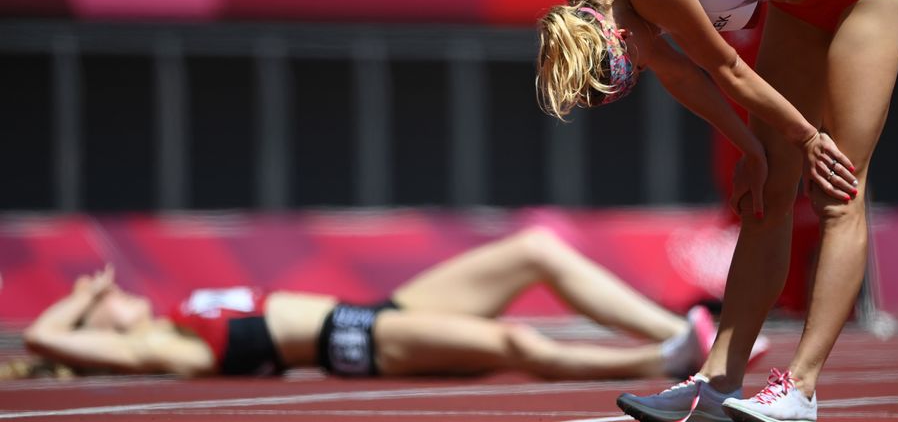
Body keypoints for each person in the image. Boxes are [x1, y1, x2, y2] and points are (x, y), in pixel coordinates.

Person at [536, 0, 898, 421]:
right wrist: (753, 150)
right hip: (799, 2)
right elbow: (682, 75)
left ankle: (801, 389)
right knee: (766, 194)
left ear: (619, 36)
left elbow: (728, 69)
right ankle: (717, 380)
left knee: (838, 186)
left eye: (637, 67)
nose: (647, 66)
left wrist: (807, 138)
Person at [18, 227, 736, 381]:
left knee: (535, 250)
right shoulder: (158, 347)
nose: (112, 291)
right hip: (358, 342)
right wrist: (78, 298)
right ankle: (664, 359)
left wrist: (91, 301)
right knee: (517, 345)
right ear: (98, 331)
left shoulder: (180, 311)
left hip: (369, 312)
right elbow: (45, 342)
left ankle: (689, 330)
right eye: (101, 301)